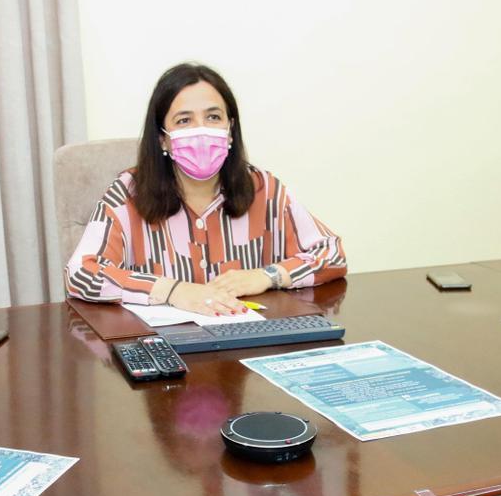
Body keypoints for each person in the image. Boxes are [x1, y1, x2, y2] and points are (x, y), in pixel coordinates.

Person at [66, 63, 346, 316]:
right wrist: (174, 291)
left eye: (213, 117)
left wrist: (268, 275)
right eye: (184, 120)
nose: (201, 130)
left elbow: (331, 254)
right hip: (166, 352)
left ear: (230, 129)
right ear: (163, 139)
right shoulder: (128, 193)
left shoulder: (263, 188)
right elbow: (81, 274)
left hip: (247, 348)